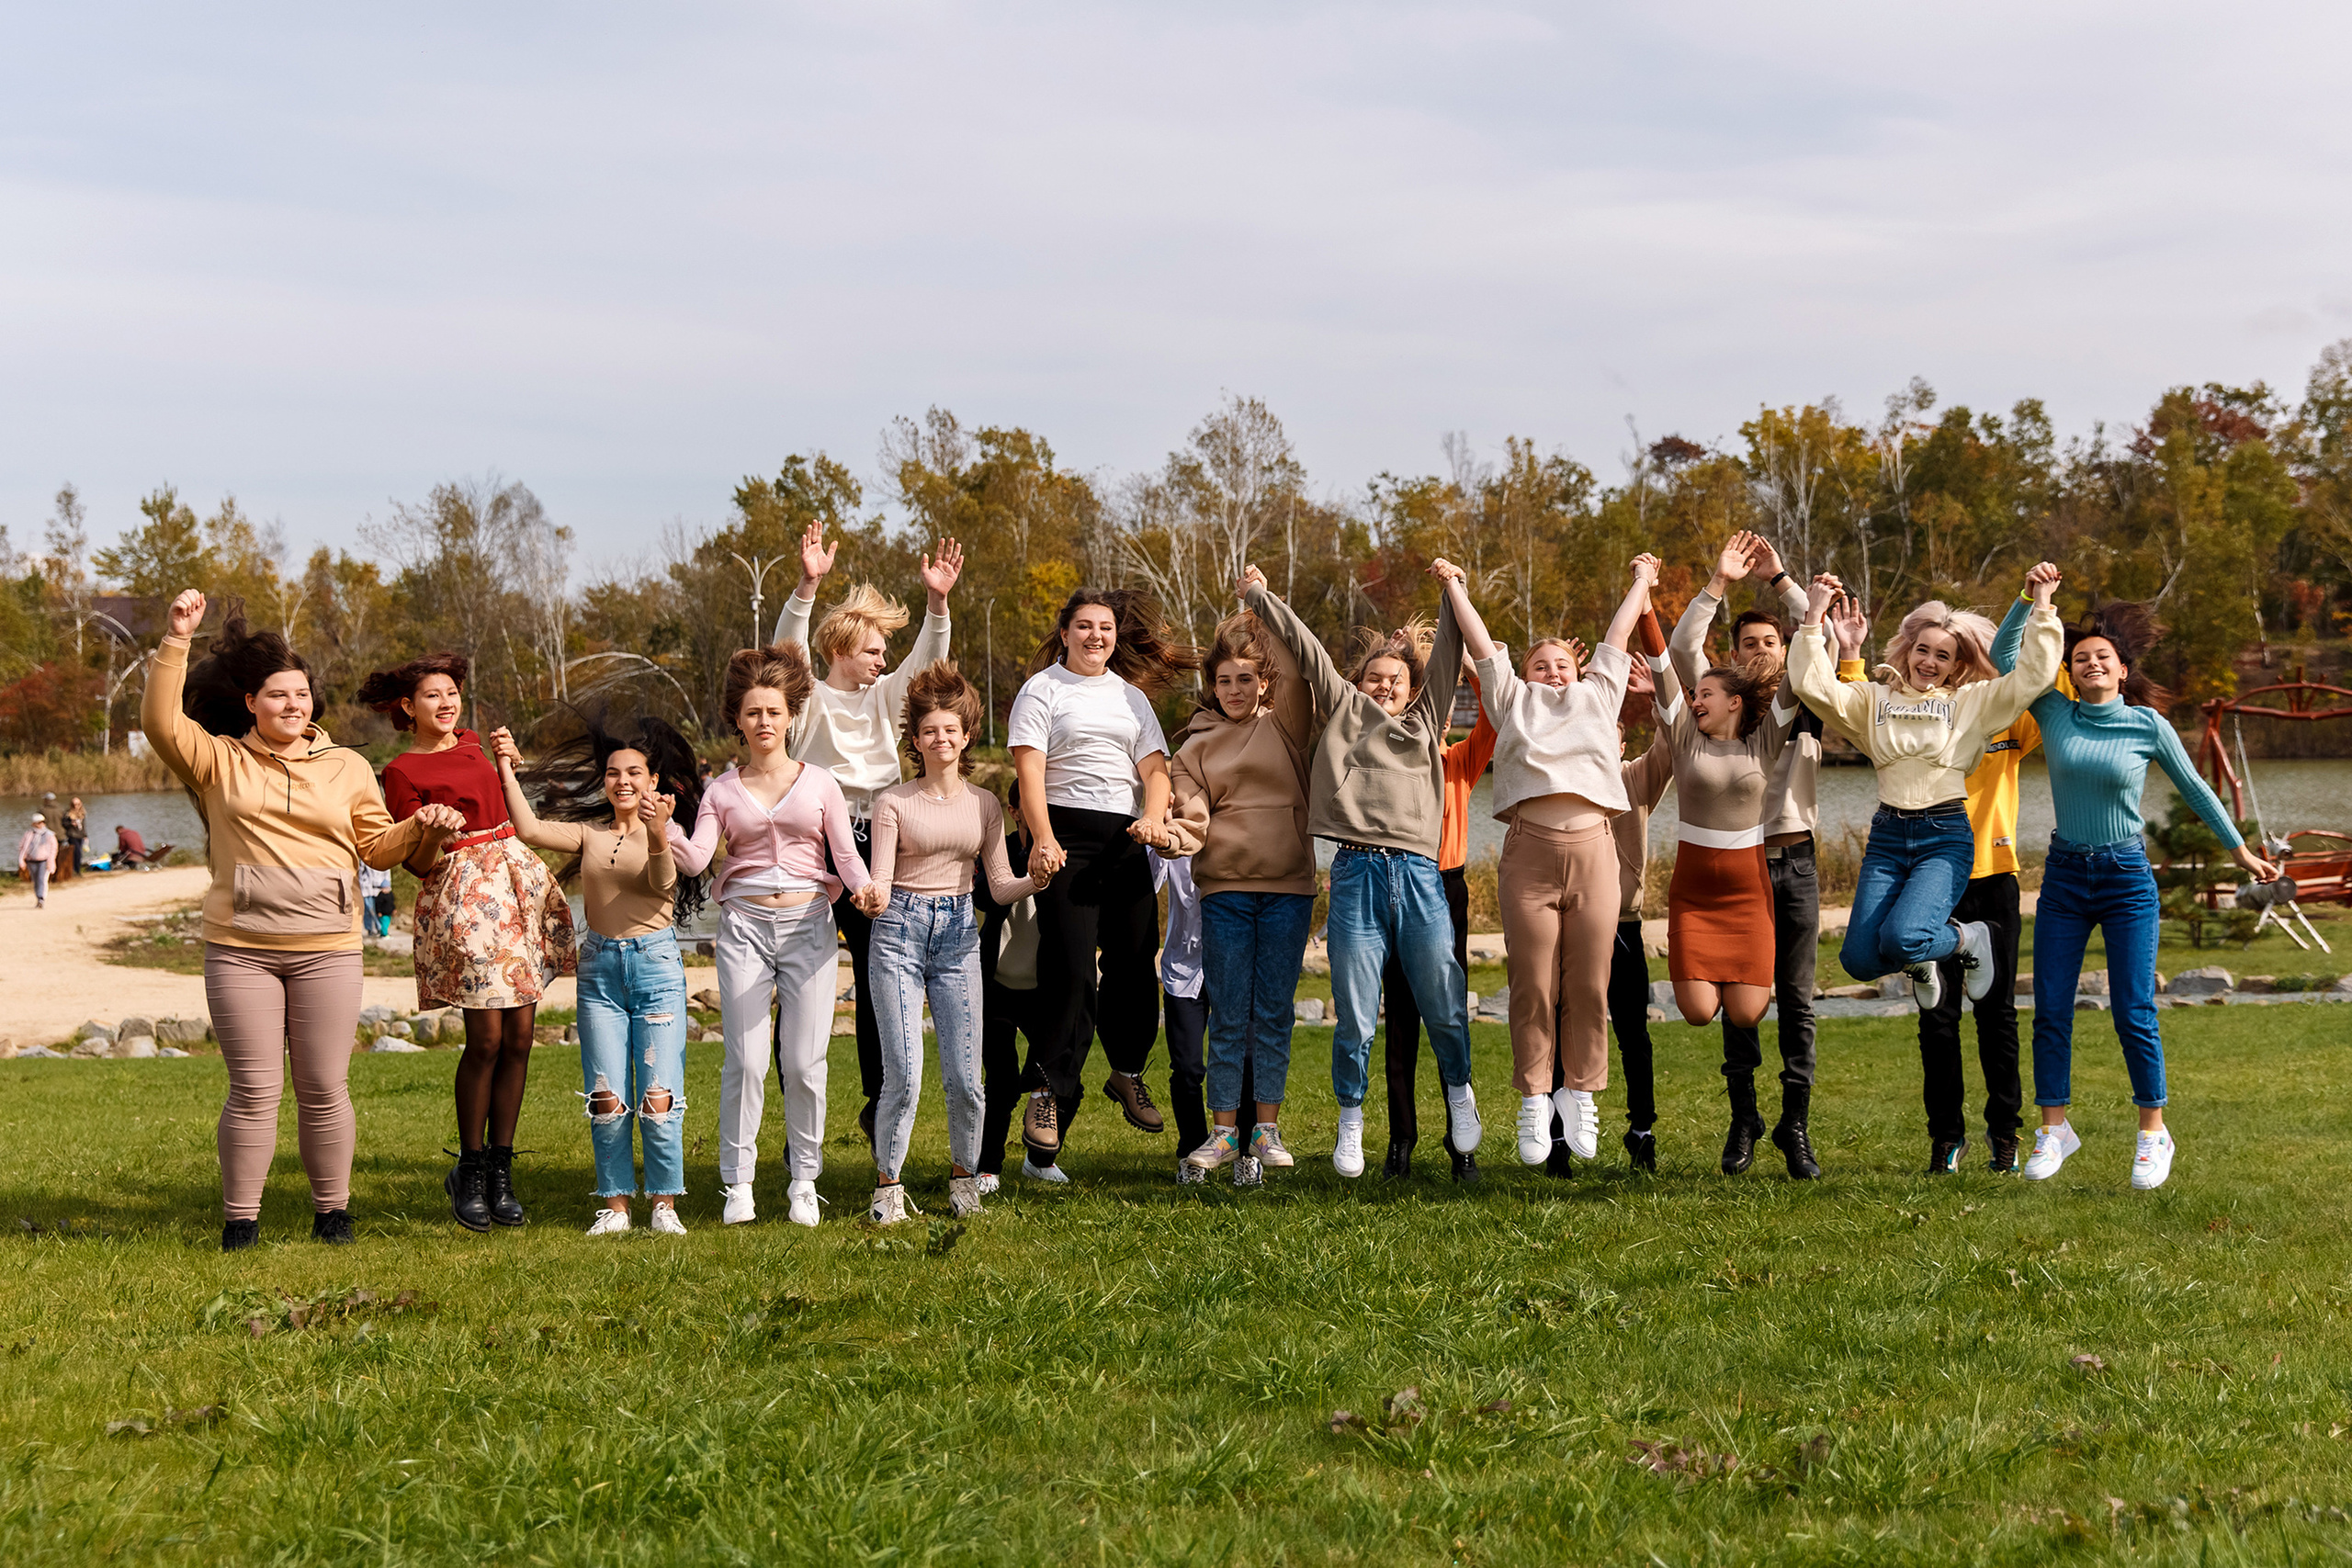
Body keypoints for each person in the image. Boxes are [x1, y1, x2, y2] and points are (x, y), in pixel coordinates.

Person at [142, 589, 462, 1250]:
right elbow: (160, 723)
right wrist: (176, 639)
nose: (294, 705)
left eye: (302, 694)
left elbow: (379, 845)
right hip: (241, 951)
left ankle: (333, 1214)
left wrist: (423, 828)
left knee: (323, 1087)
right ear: (252, 703)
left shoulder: (345, 765)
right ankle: (241, 1223)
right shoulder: (219, 760)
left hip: (329, 950)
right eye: (278, 695)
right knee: (253, 1090)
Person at [1990, 595, 2278, 1190]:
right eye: (2080, 658)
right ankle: (2055, 1129)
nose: (2091, 663)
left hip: (2126, 878)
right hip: (2066, 878)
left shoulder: (2147, 725)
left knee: (2134, 1011)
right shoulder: (2052, 710)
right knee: (2050, 1008)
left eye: (2103, 656)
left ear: (2122, 669)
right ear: (2069, 671)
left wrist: (2241, 851)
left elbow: (2198, 789)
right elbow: (2003, 657)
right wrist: (2030, 601)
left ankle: (2153, 1131)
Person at [1241, 566, 1480, 1179]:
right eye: (1375, 676)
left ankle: (1459, 1091)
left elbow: (1451, 652)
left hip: (1421, 876)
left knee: (1444, 1000)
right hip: (1355, 874)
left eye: (1396, 679)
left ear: (1412, 687)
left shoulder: (1428, 723)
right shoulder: (1344, 706)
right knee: (1353, 1009)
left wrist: (1451, 589)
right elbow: (1306, 648)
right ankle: (1352, 1120)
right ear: (1359, 682)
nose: (1385, 685)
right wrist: (1260, 597)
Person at [1435, 554, 1655, 1170]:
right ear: (1525, 674)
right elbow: (1482, 647)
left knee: (1588, 983)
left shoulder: (1599, 693)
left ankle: (1579, 1091)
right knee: (1532, 984)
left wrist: (1640, 580)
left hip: (1594, 851)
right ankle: (1535, 1097)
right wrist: (1455, 585)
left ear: (1578, 669)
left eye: (1562, 662)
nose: (1553, 671)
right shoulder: (1511, 702)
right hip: (1529, 853)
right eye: (1540, 663)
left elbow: (1619, 634)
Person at [360, 654, 577, 1233]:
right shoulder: (401, 771)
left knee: (522, 1036)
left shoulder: (476, 742)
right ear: (408, 707)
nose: (446, 703)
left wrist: (509, 763)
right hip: (463, 892)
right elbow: (417, 863)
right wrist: (430, 831)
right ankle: (471, 1169)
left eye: (452, 692)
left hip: (515, 880)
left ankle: (502, 1173)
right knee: (485, 1037)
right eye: (432, 695)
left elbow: (507, 800)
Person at [1786, 567, 2064, 1010]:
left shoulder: (1973, 704)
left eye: (1942, 655)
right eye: (1922, 650)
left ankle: (1972, 937)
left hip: (1945, 836)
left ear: (1958, 665)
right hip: (1888, 837)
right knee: (1859, 959)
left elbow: (2034, 675)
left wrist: (2043, 606)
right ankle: (1934, 952)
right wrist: (1813, 618)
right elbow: (1812, 685)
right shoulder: (1874, 700)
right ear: (1907, 652)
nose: (1929, 662)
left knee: (1904, 937)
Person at [772, 523, 962, 1148]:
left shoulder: (886, 700)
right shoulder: (808, 701)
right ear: (842, 646)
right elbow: (785, 653)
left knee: (887, 970)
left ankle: (880, 1098)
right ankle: (796, 1090)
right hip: (818, 842)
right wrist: (807, 585)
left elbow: (927, 661)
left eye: (885, 651)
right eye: (874, 649)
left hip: (881, 841)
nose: (883, 659)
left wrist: (938, 604)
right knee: (803, 973)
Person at [669, 642, 869, 1227]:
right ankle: (740, 1184)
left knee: (806, 1063)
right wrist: (665, 831)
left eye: (774, 712)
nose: (764, 723)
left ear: (791, 716)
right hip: (745, 930)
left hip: (810, 925)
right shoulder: (722, 791)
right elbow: (698, 857)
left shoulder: (822, 783)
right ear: (738, 718)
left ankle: (805, 1181)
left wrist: (866, 890)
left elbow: (846, 855)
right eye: (753, 713)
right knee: (747, 1061)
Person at [1006, 588, 1199, 1179]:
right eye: (1084, 626)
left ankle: (1127, 1069)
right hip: (1064, 837)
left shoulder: (1131, 697)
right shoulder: (1041, 690)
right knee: (1068, 969)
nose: (1096, 636)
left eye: (1106, 628)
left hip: (1125, 839)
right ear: (1064, 633)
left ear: (1116, 637)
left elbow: (1156, 772)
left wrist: (1153, 814)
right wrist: (1042, 838)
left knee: (1136, 962)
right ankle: (1047, 1086)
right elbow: (1029, 772)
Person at [492, 711, 707, 1235]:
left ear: (652, 781)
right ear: (604, 782)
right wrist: (505, 766)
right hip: (600, 970)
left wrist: (658, 834)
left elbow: (661, 888)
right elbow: (528, 828)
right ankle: (613, 1207)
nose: (623, 781)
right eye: (613, 773)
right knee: (606, 1096)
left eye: (634, 772)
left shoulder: (669, 833)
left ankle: (664, 1205)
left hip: (655, 967)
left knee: (659, 1097)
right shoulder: (590, 836)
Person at [849, 661, 1046, 1222]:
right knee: (904, 1076)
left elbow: (1002, 886)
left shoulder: (984, 804)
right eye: (929, 731)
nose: (941, 739)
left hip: (959, 936)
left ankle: (964, 1185)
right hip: (898, 935)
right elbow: (881, 880)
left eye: (951, 730)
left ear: (965, 737)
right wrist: (870, 897)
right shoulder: (893, 802)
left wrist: (1041, 877)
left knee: (965, 1077)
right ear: (916, 740)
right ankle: (887, 1193)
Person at [1672, 533, 1838, 1179]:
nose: (1762, 650)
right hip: (1733, 870)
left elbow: (1814, 628)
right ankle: (1745, 1116)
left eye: (1773, 641)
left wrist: (1780, 582)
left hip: (1790, 862)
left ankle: (1794, 1124)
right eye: (1749, 643)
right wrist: (1718, 582)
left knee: (1795, 1000)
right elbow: (1686, 649)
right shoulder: (1717, 710)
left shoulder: (1806, 702)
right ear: (1735, 658)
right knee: (1736, 1010)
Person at [1870, 591, 2035, 1175]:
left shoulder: (2010, 714)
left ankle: (2005, 1135)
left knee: (1998, 1015)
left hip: (1993, 879)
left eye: (1962, 653)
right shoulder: (1917, 711)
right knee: (1936, 1018)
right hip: (1930, 879)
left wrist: (2030, 605)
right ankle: (1946, 1138)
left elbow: (2028, 669)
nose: (1949, 662)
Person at [1159, 601, 1308, 1181]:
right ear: (1212, 686)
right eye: (1224, 680)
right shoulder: (1193, 748)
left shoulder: (1288, 726)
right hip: (1223, 894)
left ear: (1264, 681)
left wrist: (1266, 610)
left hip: (1288, 892)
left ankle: (1265, 1130)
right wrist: (1169, 836)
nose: (1234, 689)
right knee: (1227, 1016)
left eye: (1246, 678)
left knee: (1272, 1013)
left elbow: (1299, 672)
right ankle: (1222, 1135)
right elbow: (1193, 821)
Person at [1650, 587, 1803, 1125]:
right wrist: (1646, 601)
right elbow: (1664, 665)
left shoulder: (1764, 743)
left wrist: (1814, 617)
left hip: (1747, 901)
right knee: (1696, 1012)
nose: (1696, 701)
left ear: (1734, 701)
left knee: (1745, 1011)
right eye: (1695, 695)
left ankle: (1764, 1119)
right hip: (1692, 900)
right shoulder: (1685, 739)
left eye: (1707, 694)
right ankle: (1744, 1117)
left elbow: (1798, 673)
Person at [1377, 645, 1498, 1182]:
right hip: (1397, 887)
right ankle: (1400, 1142)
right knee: (1399, 1022)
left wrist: (1471, 667)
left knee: (1450, 1020)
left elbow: (1497, 713)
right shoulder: (1389, 759)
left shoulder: (1459, 762)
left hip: (1447, 891)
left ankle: (1462, 1146)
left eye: (1445, 708)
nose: (1437, 716)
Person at [1604, 613, 1672, 1172]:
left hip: (1623, 927)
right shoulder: (1557, 782)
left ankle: (1642, 1128)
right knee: (1558, 1032)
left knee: (1633, 1035)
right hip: (1567, 924)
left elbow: (1676, 744)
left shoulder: (1635, 779)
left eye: (1612, 732)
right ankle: (1556, 1137)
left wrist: (1656, 697)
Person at [974, 782, 1050, 1193]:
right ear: (1016, 810)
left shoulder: (1063, 854)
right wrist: (1026, 861)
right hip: (997, 983)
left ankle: (1040, 1160)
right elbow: (987, 898)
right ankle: (988, 1167)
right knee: (1000, 1080)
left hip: (1044, 989)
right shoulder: (998, 849)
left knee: (1053, 1078)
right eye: (1032, 805)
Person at [17, 814, 57, 908]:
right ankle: (38, 897)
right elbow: (22, 847)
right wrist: (22, 860)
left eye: (42, 822)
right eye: (38, 823)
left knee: (42, 879)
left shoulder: (49, 835)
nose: (40, 825)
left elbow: (53, 849)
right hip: (31, 860)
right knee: (35, 880)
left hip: (44, 861)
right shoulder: (29, 834)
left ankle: (41, 898)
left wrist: (51, 862)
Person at [357, 863, 393, 938]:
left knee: (379, 911)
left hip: (381, 889)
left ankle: (381, 929)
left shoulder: (384, 858)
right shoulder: (364, 858)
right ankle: (371, 929)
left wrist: (387, 886)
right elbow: (360, 872)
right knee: (369, 910)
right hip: (367, 888)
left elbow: (387, 874)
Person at [59, 797, 86, 880]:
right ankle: (75, 870)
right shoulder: (68, 813)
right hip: (72, 835)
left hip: (80, 835)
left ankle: (77, 870)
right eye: (74, 804)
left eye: (78, 804)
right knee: (76, 853)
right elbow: (63, 824)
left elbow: (84, 826)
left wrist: (85, 835)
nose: (76, 806)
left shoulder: (82, 813)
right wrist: (71, 823)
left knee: (79, 853)